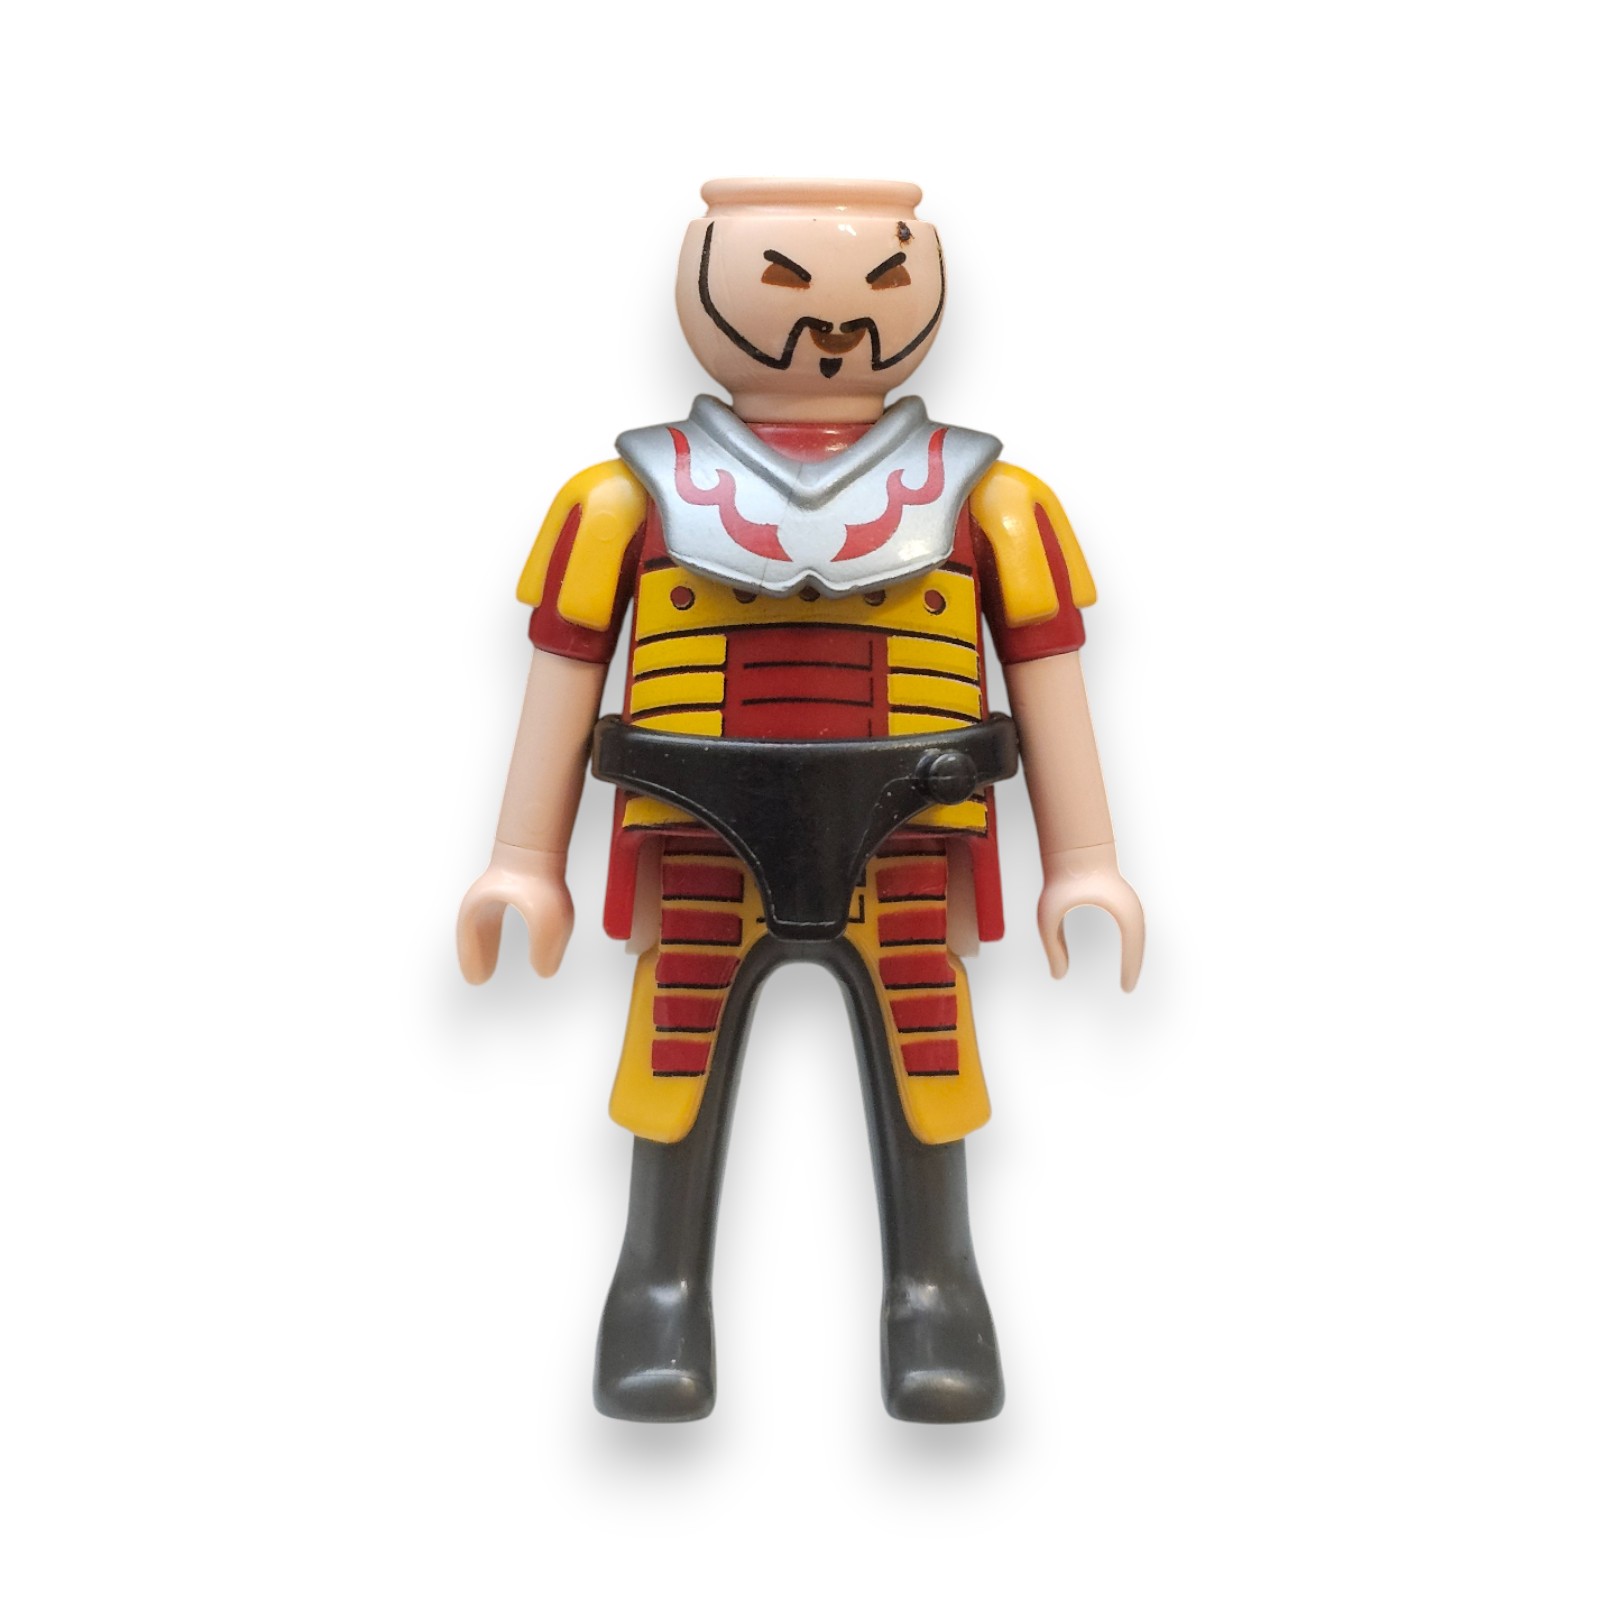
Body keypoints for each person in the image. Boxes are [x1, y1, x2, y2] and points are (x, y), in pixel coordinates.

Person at [458, 177, 1144, 1423]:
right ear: (704, 279)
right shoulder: (623, 501)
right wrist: (524, 858)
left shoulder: (993, 501)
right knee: (672, 1054)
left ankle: (936, 1292)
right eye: (781, 280)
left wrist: (1083, 858)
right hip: (698, 832)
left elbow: (1047, 671)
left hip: (910, 834)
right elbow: (563, 670)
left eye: (883, 281)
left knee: (929, 1055)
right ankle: (657, 1291)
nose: (835, 321)